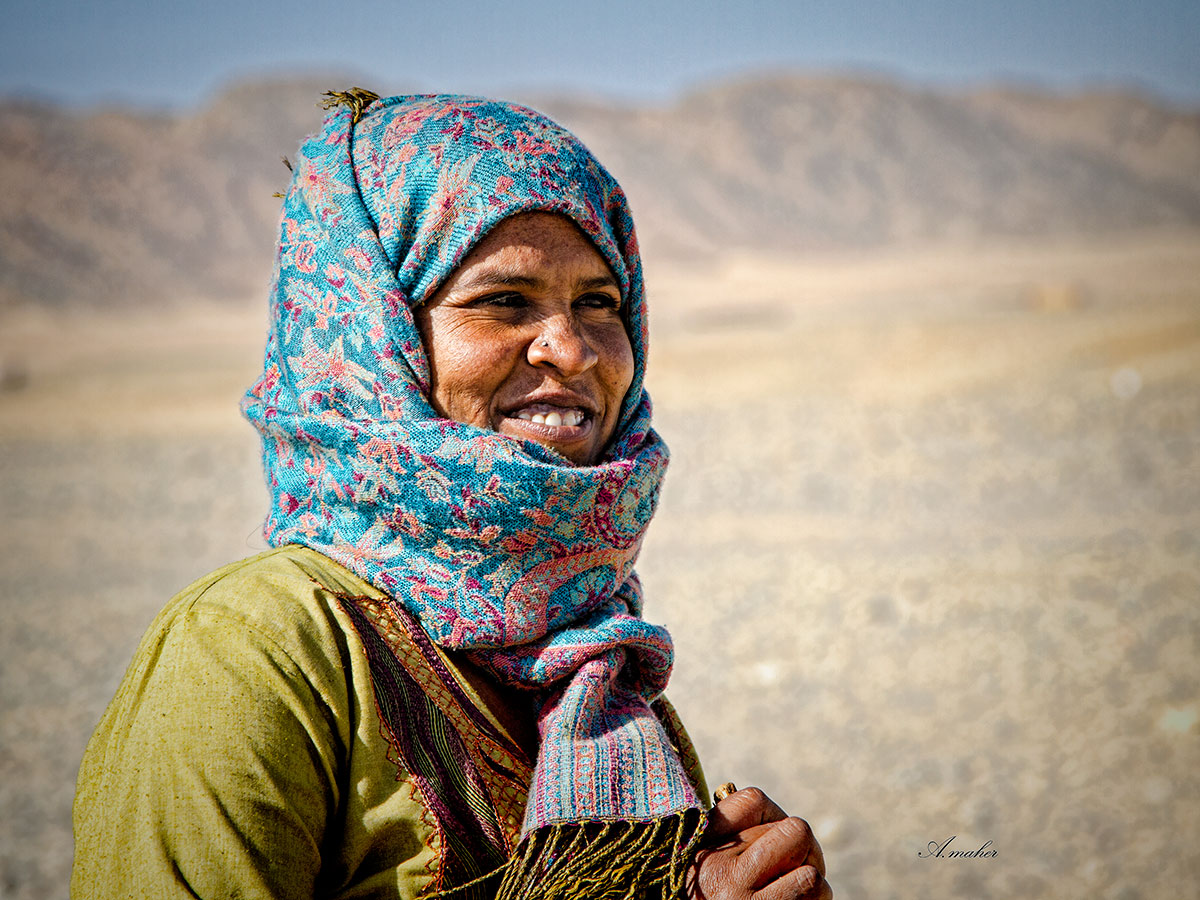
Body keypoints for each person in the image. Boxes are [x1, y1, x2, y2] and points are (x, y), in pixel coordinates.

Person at [72, 89, 830, 900]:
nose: (572, 350)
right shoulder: (251, 653)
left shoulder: (598, 663)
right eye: (504, 301)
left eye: (598, 303)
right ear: (372, 333)